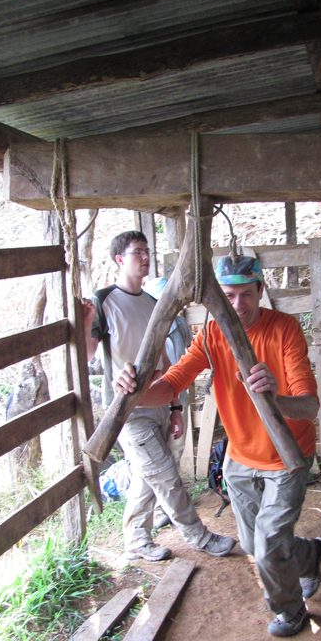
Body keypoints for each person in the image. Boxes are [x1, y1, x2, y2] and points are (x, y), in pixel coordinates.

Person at [115, 255, 321, 637]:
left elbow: (309, 405)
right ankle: (309, 554)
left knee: (267, 546)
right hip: (240, 457)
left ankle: (290, 609)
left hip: (287, 456)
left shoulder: (284, 329)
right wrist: (135, 393)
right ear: (216, 300)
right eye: (228, 295)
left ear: (261, 292)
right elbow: (172, 383)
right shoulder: (212, 334)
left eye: (247, 294)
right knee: (253, 543)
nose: (238, 305)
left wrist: (274, 397)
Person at [83, 230, 236, 562]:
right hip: (127, 411)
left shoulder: (154, 303)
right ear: (119, 260)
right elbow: (88, 353)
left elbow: (166, 360)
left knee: (147, 475)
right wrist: (82, 324)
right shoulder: (103, 300)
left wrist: (176, 405)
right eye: (137, 252)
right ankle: (199, 537)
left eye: (146, 251)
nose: (145, 257)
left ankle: (136, 539)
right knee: (165, 475)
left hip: (160, 403)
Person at [143, 275, 193, 530]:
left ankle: (166, 509)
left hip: (176, 397)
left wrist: (177, 406)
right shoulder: (146, 327)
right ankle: (157, 512)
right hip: (150, 401)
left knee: (174, 451)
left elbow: (186, 356)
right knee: (154, 464)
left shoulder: (181, 324)